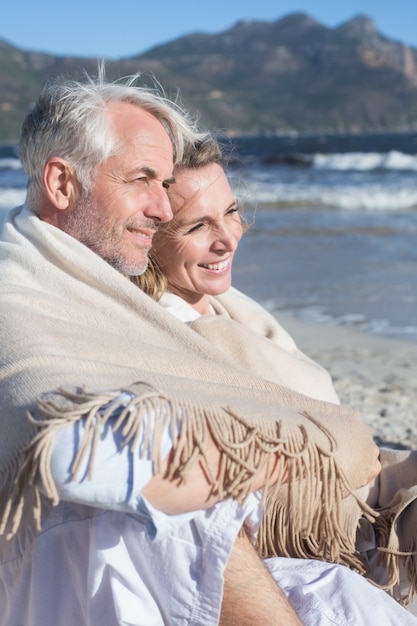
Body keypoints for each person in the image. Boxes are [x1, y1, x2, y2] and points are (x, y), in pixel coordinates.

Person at [0, 69, 413, 626]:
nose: (162, 207)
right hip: (122, 550)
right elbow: (85, 449)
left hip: (307, 521)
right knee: (180, 518)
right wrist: (314, 445)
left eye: (163, 182)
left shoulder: (95, 289)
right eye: (142, 178)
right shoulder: (22, 292)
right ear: (61, 183)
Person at [137, 135, 417, 613]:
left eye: (230, 211)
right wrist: (342, 450)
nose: (227, 236)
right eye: (197, 225)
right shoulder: (172, 333)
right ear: (150, 235)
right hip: (316, 530)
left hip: (356, 498)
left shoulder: (230, 307)